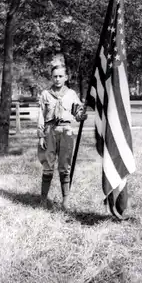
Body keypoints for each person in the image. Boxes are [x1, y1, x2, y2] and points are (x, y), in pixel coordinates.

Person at [37, 62, 87, 210]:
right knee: (47, 165)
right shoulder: (46, 94)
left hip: (66, 130)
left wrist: (81, 114)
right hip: (49, 131)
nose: (57, 79)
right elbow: (41, 115)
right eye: (55, 76)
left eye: (60, 76)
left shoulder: (71, 94)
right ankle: (43, 199)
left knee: (65, 166)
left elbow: (77, 114)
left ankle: (65, 200)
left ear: (66, 77)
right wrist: (41, 135)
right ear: (51, 78)